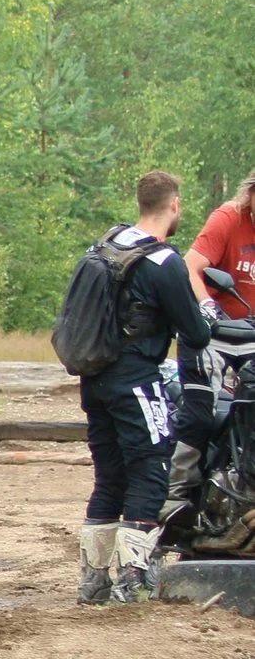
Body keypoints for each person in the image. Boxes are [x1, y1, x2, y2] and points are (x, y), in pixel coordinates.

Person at [80, 171, 209, 604]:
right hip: (136, 381)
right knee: (151, 471)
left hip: (94, 379)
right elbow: (196, 332)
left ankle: (93, 581)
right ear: (173, 205)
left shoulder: (106, 246)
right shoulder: (163, 261)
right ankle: (133, 582)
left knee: (109, 477)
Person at [165, 172, 255, 517]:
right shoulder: (229, 218)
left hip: (251, 333)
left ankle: (244, 483)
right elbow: (191, 266)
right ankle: (175, 492)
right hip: (212, 330)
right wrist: (207, 307)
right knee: (200, 410)